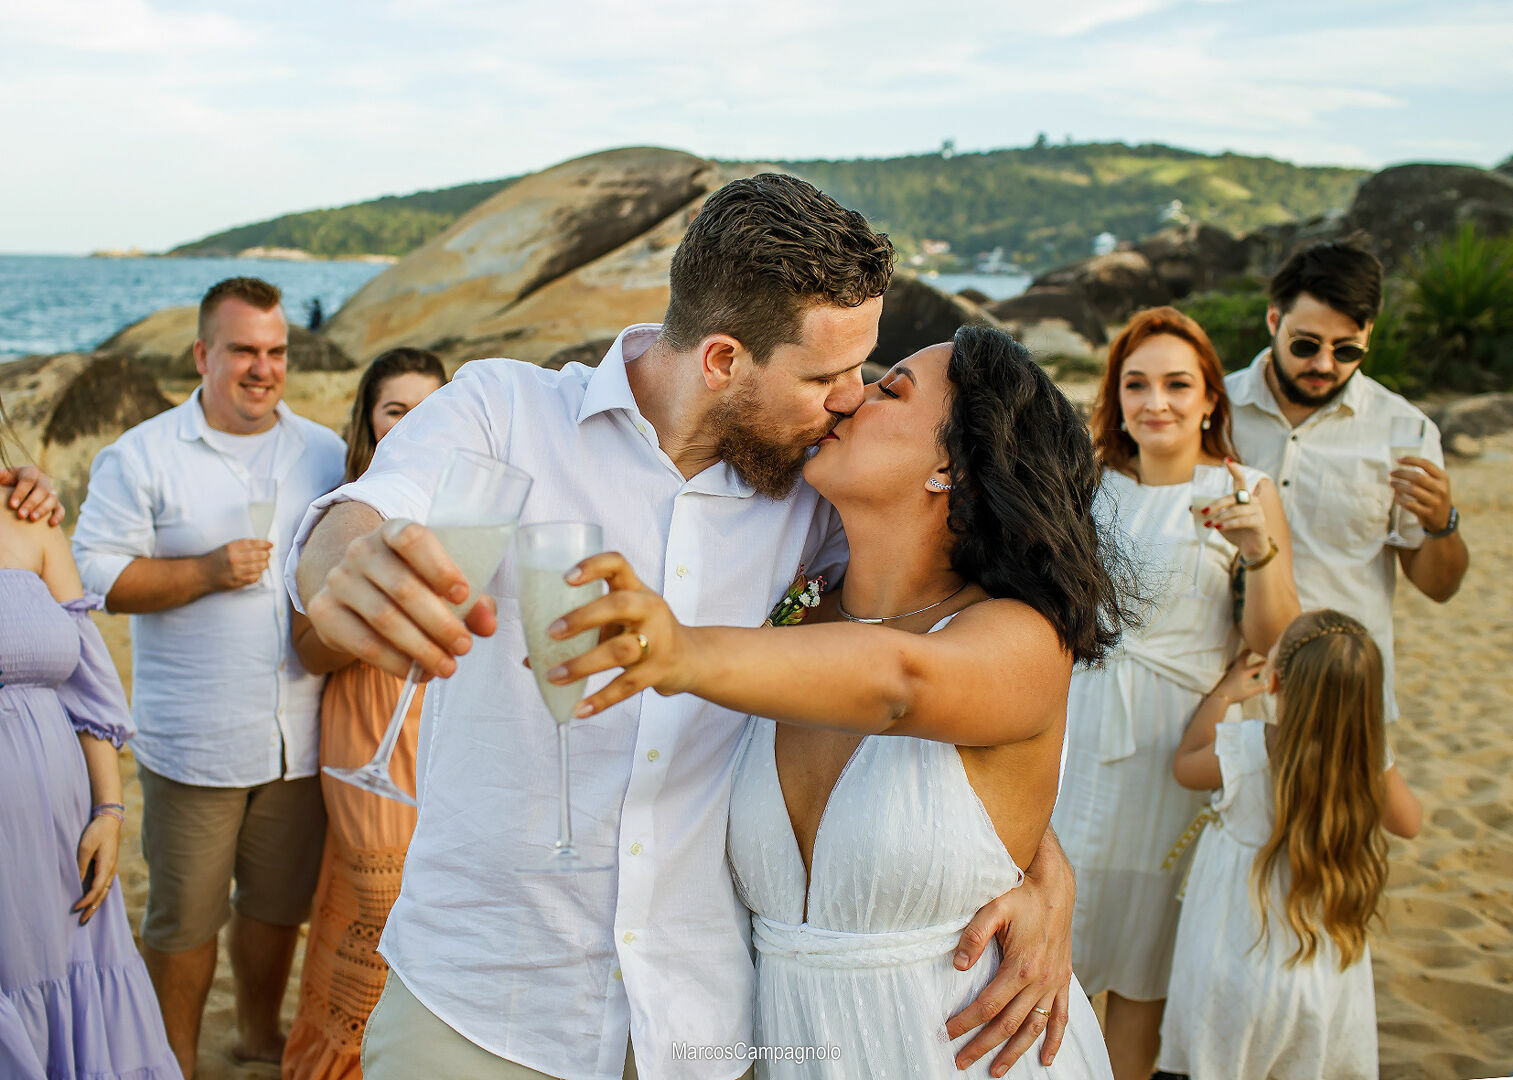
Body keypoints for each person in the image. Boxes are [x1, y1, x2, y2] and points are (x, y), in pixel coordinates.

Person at [292, 175, 1080, 1080]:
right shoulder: (502, 412)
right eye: (825, 375)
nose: (850, 399)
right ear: (720, 361)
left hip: (702, 1024)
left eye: (866, 372)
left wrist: (1034, 863)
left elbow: (938, 671)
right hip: (484, 1003)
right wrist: (341, 559)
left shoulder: (819, 500)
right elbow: (362, 510)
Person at [542, 327, 1119, 1077]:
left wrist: (679, 650)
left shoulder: (1021, 639)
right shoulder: (788, 614)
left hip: (971, 1056)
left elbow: (900, 684)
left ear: (953, 464)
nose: (849, 396)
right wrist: (1047, 868)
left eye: (889, 389)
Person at [71, 277, 348, 1078]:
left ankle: (257, 1037)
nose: (262, 369)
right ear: (202, 355)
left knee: (275, 908)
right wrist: (203, 572)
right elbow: (93, 577)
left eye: (275, 352)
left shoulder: (324, 452)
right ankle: (176, 1060)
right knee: (183, 920)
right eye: (242, 352)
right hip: (193, 739)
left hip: (300, 734)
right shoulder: (143, 455)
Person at [1049, 307, 1300, 1080]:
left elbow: (1273, 639)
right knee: (1051, 952)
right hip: (1073, 729)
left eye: (1176, 384)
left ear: (1209, 400)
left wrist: (1257, 550)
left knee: (1143, 966)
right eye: (1136, 384)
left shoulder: (1244, 488)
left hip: (1175, 741)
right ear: (1116, 397)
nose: (1155, 401)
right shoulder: (1085, 485)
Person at [1160, 610, 1422, 1079]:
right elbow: (1409, 823)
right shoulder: (1366, 760)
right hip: (1320, 975)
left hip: (1234, 965)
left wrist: (1224, 694)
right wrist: (1373, 754)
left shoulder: (1249, 747)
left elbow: (1185, 765)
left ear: (1275, 684)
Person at [0, 404, 181, 1079]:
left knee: (76, 987)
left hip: (60, 831)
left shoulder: (32, 520)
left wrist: (109, 812)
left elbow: (88, 689)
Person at [283, 347, 448, 1080]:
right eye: (395, 410)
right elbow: (309, 653)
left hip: (442, 735)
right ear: (368, 423)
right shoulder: (344, 515)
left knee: (413, 914)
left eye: (429, 408)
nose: (413, 424)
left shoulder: (474, 513)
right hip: (365, 727)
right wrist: (375, 613)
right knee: (381, 905)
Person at [1225, 240, 1470, 729]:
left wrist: (1442, 523)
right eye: (1305, 344)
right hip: (1225, 692)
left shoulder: (1406, 430)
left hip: (1345, 695)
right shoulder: (1213, 410)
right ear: (1274, 321)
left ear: (1369, 336)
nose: (1324, 364)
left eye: (1348, 350)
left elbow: (1438, 588)